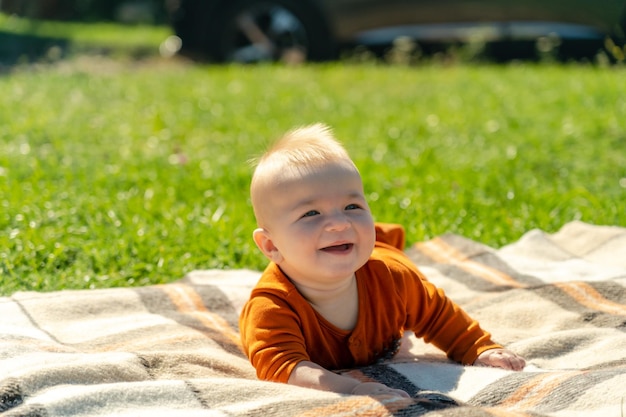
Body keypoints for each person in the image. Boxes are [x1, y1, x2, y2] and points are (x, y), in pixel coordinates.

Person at [239, 123, 525, 398]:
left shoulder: (394, 278)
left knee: (397, 265)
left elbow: (438, 315)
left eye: (352, 207)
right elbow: (281, 367)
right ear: (271, 245)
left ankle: (384, 237)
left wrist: (478, 348)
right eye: (311, 214)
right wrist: (351, 389)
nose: (339, 223)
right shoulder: (271, 308)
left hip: (385, 257)